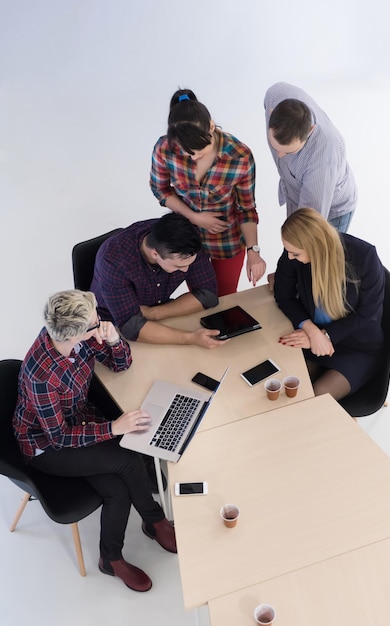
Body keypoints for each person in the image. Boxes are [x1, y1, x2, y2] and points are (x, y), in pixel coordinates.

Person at [13, 290, 177, 592]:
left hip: (77, 421)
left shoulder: (77, 337)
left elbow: (120, 364)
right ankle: (152, 523)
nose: (99, 321)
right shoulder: (42, 377)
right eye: (94, 321)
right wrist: (113, 428)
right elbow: (58, 437)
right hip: (46, 447)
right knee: (127, 459)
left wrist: (113, 338)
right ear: (77, 332)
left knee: (117, 491)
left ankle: (113, 554)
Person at [150, 88, 266, 296]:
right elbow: (160, 189)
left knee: (226, 296)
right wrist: (195, 217)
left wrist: (253, 251)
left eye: (199, 151)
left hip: (228, 240)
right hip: (188, 239)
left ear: (211, 126)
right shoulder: (164, 149)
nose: (193, 158)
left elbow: (246, 208)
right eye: (186, 152)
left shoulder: (239, 156)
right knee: (201, 298)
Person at [274, 209, 385, 401]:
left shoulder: (364, 256)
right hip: (313, 339)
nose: (290, 257)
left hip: (355, 347)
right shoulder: (293, 251)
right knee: (287, 388)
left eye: (295, 253)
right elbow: (284, 296)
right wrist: (312, 331)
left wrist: (326, 335)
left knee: (315, 398)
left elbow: (368, 315)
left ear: (314, 246)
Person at [90, 212, 224, 349]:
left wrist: (153, 313)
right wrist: (191, 338)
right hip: (110, 328)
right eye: (179, 266)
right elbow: (131, 327)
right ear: (155, 254)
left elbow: (208, 296)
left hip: (156, 314)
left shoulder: (187, 241)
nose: (186, 270)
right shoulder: (113, 260)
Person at [264, 82, 357, 233]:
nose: (280, 155)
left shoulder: (322, 160)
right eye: (276, 147)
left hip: (331, 211)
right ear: (272, 112)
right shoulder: (275, 95)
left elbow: (309, 222)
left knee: (318, 254)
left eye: (288, 152)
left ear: (310, 131)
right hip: (297, 193)